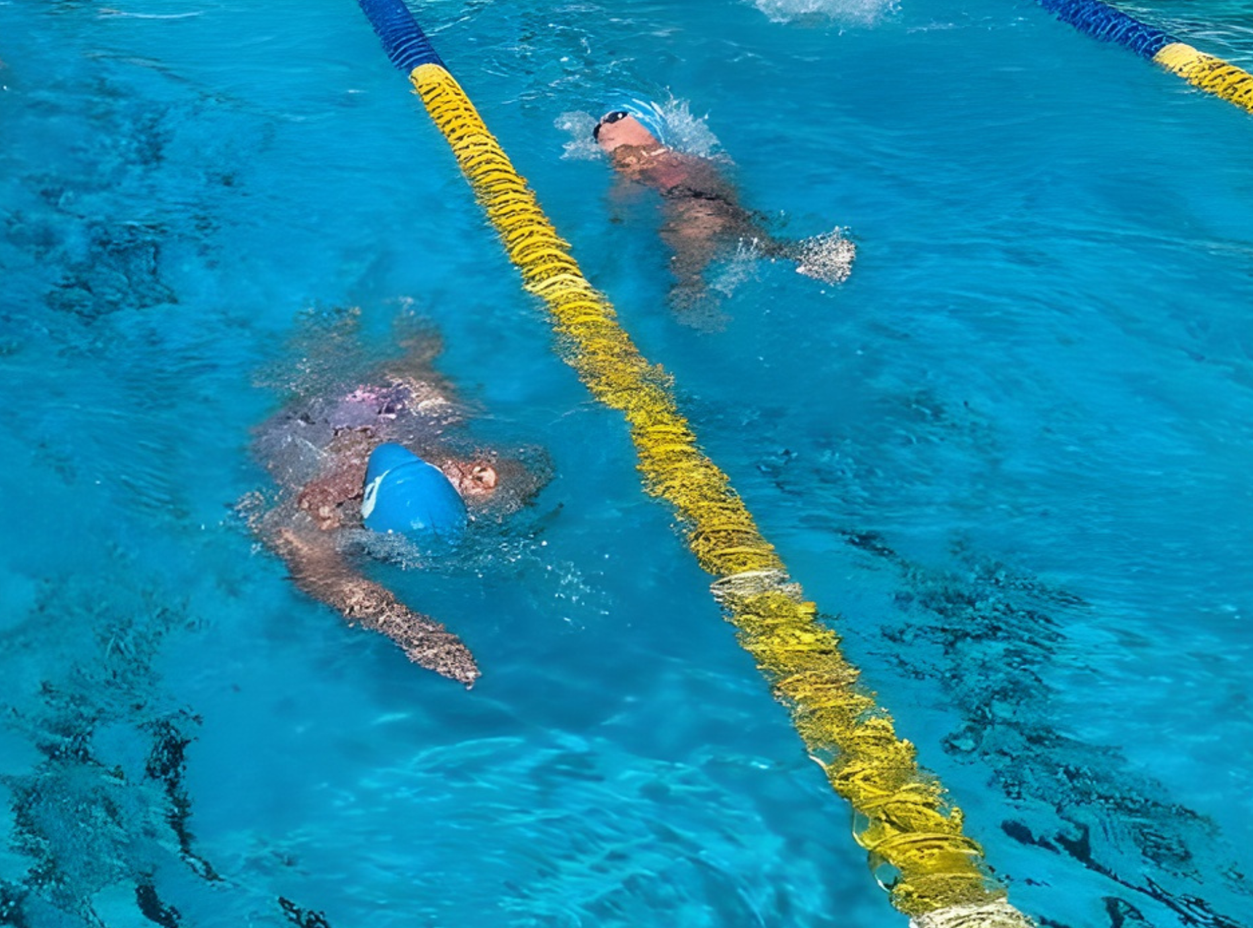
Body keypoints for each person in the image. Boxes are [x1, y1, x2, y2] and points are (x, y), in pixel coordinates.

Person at [250, 329, 542, 686]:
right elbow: (321, 576)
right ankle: (412, 352)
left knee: (420, 389)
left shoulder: (457, 473)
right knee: (426, 393)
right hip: (317, 422)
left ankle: (408, 351)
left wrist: (495, 475)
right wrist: (412, 631)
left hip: (372, 412)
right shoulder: (320, 514)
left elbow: (523, 474)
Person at [590, 104, 853, 315]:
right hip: (718, 191)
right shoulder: (672, 151)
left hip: (690, 207)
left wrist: (615, 213)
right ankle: (810, 255)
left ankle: (693, 295)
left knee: (687, 264)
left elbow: (623, 200)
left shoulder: (627, 160)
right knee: (754, 236)